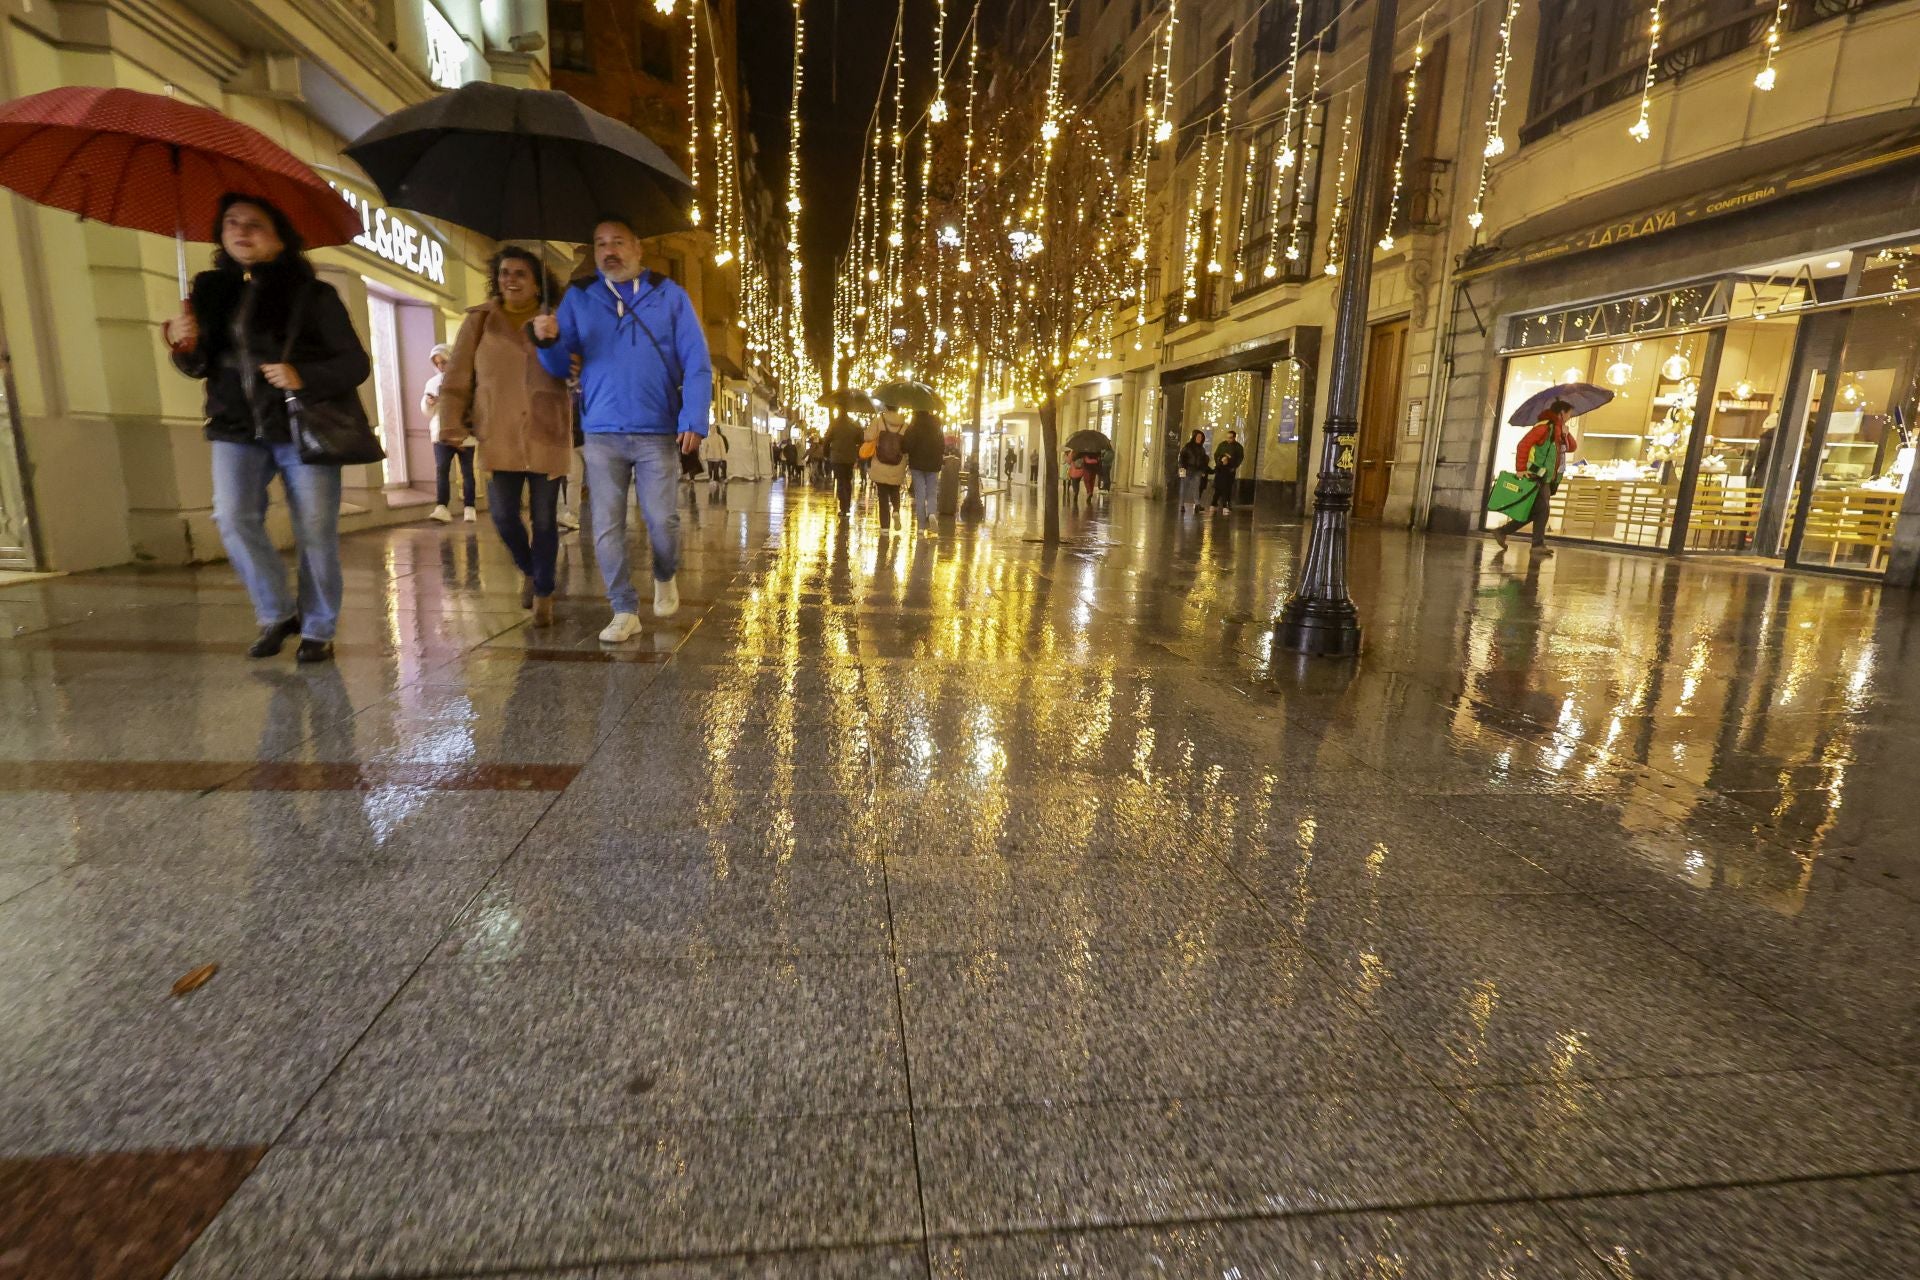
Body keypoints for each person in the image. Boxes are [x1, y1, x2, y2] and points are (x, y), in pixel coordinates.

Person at [163, 194, 370, 665]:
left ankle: (318, 627)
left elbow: (355, 363)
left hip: (300, 427)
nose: (240, 231)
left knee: (315, 531)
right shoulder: (210, 291)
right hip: (235, 427)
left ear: (281, 235)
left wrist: (303, 376)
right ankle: (276, 612)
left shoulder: (313, 295)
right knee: (232, 517)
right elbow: (200, 366)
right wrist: (183, 344)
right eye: (231, 223)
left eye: (254, 224)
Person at [531, 216, 712, 641]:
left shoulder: (669, 295)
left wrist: (694, 418)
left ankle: (665, 574)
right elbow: (560, 368)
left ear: (637, 249)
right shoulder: (579, 297)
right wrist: (548, 340)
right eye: (599, 244)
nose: (609, 251)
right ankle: (623, 608)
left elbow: (697, 361)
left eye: (617, 242)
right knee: (607, 524)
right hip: (601, 430)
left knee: (662, 520)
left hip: (656, 430)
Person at [437, 247, 572, 627]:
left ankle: (544, 591)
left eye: (521, 274)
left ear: (536, 283)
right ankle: (529, 568)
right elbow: (458, 376)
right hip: (498, 432)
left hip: (547, 431)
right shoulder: (480, 321)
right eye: (505, 273)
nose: (511, 280)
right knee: (502, 516)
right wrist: (451, 422)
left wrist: (553, 340)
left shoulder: (557, 320)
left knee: (545, 520)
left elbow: (575, 372)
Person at [1495, 398, 1578, 554]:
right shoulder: (1544, 428)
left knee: (1536, 511)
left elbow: (1572, 447)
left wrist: (1566, 435)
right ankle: (1536, 545)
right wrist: (1520, 469)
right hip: (1536, 475)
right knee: (1543, 510)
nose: (1570, 417)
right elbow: (1523, 445)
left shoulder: (1558, 429)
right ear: (1561, 413)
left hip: (1546, 477)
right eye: (1569, 414)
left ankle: (1503, 532)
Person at [423, 343, 477, 524]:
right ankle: (442, 506)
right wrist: (430, 403)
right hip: (441, 432)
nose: (440, 366)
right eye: (437, 363)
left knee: (467, 471)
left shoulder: (467, 379)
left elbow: (473, 405)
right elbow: (427, 411)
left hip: (464, 433)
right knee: (442, 470)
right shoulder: (432, 383)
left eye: (443, 362)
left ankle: (470, 507)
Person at [867, 409, 909, 532]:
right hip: (897, 464)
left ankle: (885, 527)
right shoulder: (904, 425)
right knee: (895, 490)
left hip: (880, 463)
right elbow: (907, 445)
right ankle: (895, 510)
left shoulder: (879, 421)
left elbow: (868, 436)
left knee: (882, 496)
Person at [904, 409, 944, 530]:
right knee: (932, 492)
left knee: (920, 494)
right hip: (933, 465)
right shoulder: (937, 425)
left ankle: (921, 527)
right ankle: (931, 513)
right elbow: (942, 445)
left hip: (917, 465)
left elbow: (906, 446)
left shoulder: (913, 426)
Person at [823, 411, 864, 518]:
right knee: (847, 482)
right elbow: (861, 439)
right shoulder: (853, 424)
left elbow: (827, 440)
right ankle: (847, 506)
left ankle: (843, 508)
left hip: (837, 457)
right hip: (849, 457)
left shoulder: (834, 424)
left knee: (840, 482)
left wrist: (826, 454)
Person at [1212, 429, 1245, 511]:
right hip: (1220, 469)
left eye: (1230, 438)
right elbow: (1216, 455)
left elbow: (1239, 458)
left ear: (1234, 438)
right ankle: (1214, 503)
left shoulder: (1238, 447)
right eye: (1227, 437)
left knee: (1228, 487)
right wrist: (1219, 462)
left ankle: (1226, 503)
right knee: (1218, 487)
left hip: (1230, 470)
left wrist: (1233, 466)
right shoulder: (1222, 445)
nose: (1228, 439)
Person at [1178, 430, 1211, 511]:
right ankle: (1182, 505)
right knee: (1184, 487)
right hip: (1187, 469)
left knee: (1196, 487)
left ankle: (1197, 504)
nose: (1199, 438)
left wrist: (1203, 470)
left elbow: (1204, 460)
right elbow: (1182, 457)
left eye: (1201, 437)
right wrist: (1182, 469)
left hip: (1197, 471)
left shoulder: (1202, 449)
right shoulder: (1188, 446)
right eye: (1198, 437)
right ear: (1194, 437)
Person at [700, 425, 729, 498]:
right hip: (710, 457)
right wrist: (704, 456)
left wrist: (723, 457)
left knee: (715, 469)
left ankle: (715, 481)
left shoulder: (719, 438)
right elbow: (705, 447)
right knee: (710, 469)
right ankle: (711, 479)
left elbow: (722, 447)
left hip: (717, 457)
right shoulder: (708, 438)